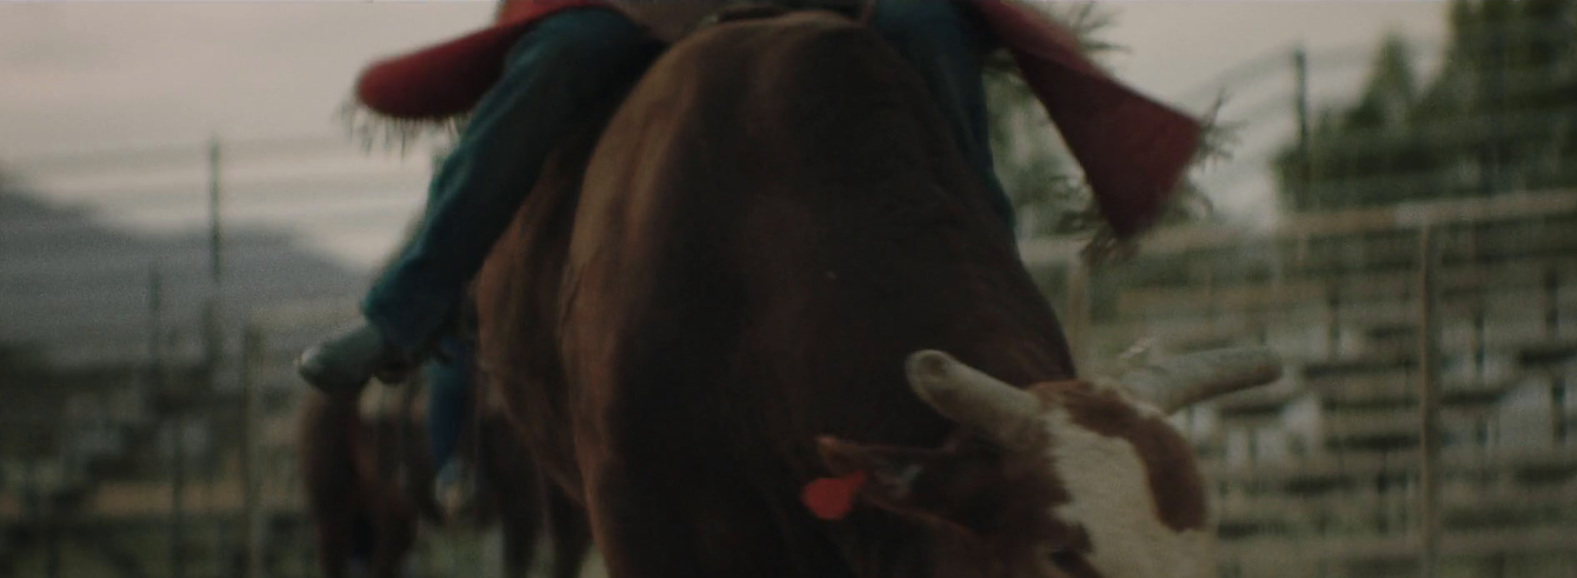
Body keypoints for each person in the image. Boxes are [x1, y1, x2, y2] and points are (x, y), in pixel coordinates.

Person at [298, 0, 1202, 393]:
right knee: (555, 58)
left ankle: (1003, 318)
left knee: (931, 26)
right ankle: (406, 311)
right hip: (648, 8)